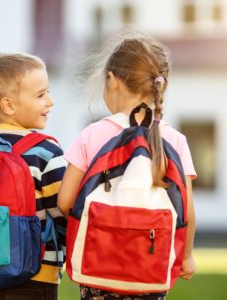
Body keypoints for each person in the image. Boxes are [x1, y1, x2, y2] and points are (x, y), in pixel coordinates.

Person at [58, 35, 197, 300]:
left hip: (99, 269)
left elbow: (65, 202)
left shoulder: (92, 134)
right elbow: (187, 210)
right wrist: (187, 257)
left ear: (112, 79)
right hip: (150, 271)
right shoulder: (175, 140)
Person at [0, 53, 66, 300]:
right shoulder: (46, 151)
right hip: (37, 273)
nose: (50, 102)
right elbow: (63, 209)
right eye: (41, 95)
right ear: (8, 105)